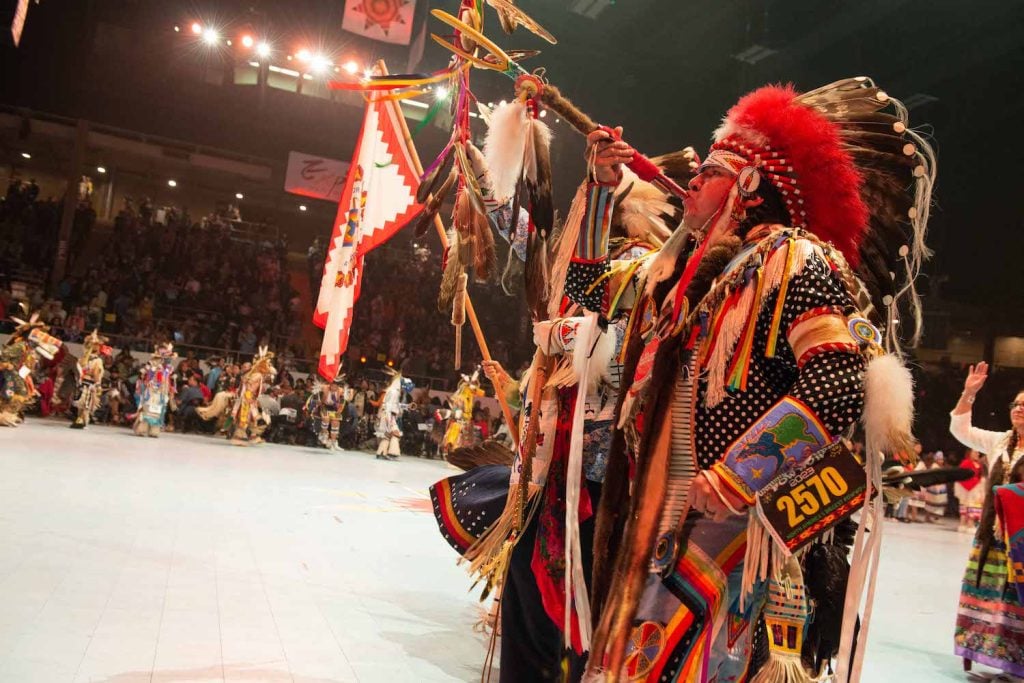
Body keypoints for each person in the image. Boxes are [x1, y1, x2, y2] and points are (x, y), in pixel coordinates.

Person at [582, 78, 934, 681]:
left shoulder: (794, 260)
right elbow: (585, 294)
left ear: (749, 184)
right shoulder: (685, 281)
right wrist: (600, 193)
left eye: (711, 167)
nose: (692, 178)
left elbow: (837, 383)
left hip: (735, 528)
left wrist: (734, 477)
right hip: (661, 518)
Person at [950, 361, 1024, 676]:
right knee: (989, 598)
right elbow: (960, 430)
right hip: (992, 539)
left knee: (1014, 603)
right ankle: (987, 655)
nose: (1019, 409)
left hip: (1019, 545)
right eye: (1017, 404)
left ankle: (1013, 666)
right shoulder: (998, 443)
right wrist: (969, 394)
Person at [0, 310, 61, 427]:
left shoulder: (28, 348)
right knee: (16, 392)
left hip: (19, 373)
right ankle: (6, 415)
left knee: (17, 393)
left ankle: (7, 415)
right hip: (10, 372)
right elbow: (4, 355)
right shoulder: (20, 345)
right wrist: (8, 365)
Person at [70, 329, 111, 429]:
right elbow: (96, 373)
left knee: (81, 403)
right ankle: (82, 420)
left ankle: (79, 419)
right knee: (86, 404)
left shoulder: (82, 359)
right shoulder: (97, 361)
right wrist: (98, 385)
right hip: (90, 384)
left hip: (81, 383)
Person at [133, 343, 175, 437]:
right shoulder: (152, 363)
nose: (169, 359)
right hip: (151, 390)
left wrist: (170, 389)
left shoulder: (169, 368)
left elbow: (167, 379)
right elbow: (143, 374)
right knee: (147, 409)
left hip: (162, 391)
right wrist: (147, 378)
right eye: (167, 356)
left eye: (169, 357)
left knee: (159, 411)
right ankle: (142, 428)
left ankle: (154, 430)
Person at [375, 369, 412, 460]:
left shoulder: (393, 390)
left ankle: (381, 452)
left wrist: (406, 406)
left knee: (388, 435)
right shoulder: (394, 392)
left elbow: (394, 405)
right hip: (389, 415)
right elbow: (388, 406)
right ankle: (393, 453)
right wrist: (389, 419)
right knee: (396, 433)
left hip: (388, 414)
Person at [954, 449, 986, 533]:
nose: (978, 454)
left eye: (978, 452)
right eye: (975, 452)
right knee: (965, 505)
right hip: (966, 488)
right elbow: (959, 475)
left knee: (973, 505)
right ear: (970, 453)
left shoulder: (978, 464)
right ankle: (963, 524)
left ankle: (969, 524)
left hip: (976, 487)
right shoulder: (966, 462)